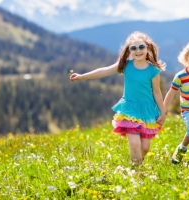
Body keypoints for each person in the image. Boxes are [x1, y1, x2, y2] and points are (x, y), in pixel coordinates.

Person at [70, 31, 166, 166]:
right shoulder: (126, 65)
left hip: (148, 110)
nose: (138, 51)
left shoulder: (153, 70)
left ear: (148, 48)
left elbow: (157, 92)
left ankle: (139, 162)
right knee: (134, 143)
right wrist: (82, 76)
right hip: (129, 109)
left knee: (144, 148)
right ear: (129, 50)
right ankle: (137, 172)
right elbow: (104, 71)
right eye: (134, 48)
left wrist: (163, 112)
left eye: (141, 47)